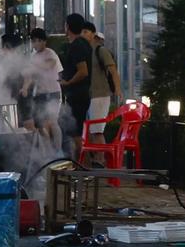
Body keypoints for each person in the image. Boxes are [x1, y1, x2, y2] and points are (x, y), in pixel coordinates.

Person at [81, 23, 123, 157]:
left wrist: (117, 89)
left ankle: (100, 161)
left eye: (86, 32)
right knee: (92, 131)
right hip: (90, 95)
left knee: (97, 131)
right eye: (82, 32)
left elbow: (113, 70)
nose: (84, 35)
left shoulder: (100, 51)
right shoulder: (85, 51)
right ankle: (96, 161)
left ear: (93, 35)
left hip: (99, 95)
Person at [22, 28, 63, 152]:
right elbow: (29, 76)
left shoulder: (49, 53)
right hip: (39, 93)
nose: (36, 44)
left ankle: (57, 150)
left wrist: (33, 65)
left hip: (53, 92)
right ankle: (47, 150)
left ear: (44, 41)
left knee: (52, 121)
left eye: (39, 41)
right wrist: (24, 88)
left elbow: (49, 65)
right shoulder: (33, 56)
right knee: (40, 123)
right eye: (34, 41)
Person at [60, 13, 92, 159]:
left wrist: (68, 82)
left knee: (75, 132)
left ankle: (81, 165)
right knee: (74, 131)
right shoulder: (83, 43)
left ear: (68, 26)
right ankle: (80, 164)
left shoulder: (77, 46)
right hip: (81, 93)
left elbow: (83, 71)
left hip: (78, 94)